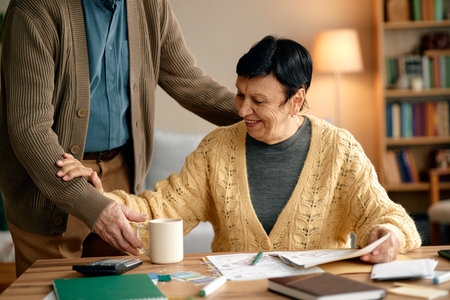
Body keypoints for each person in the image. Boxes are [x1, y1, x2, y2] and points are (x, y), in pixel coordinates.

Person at [59, 35, 422, 263]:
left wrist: (388, 236)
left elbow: (389, 217)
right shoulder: (217, 149)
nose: (242, 110)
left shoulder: (339, 149)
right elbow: (161, 208)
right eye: (240, 94)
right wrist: (106, 201)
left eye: (258, 100)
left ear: (297, 101)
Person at [0, 0, 240, 276]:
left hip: (121, 178)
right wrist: (94, 207)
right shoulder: (34, 9)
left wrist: (260, 113)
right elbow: (30, 128)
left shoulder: (152, 6)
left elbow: (189, 81)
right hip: (49, 183)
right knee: (49, 292)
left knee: (123, 291)